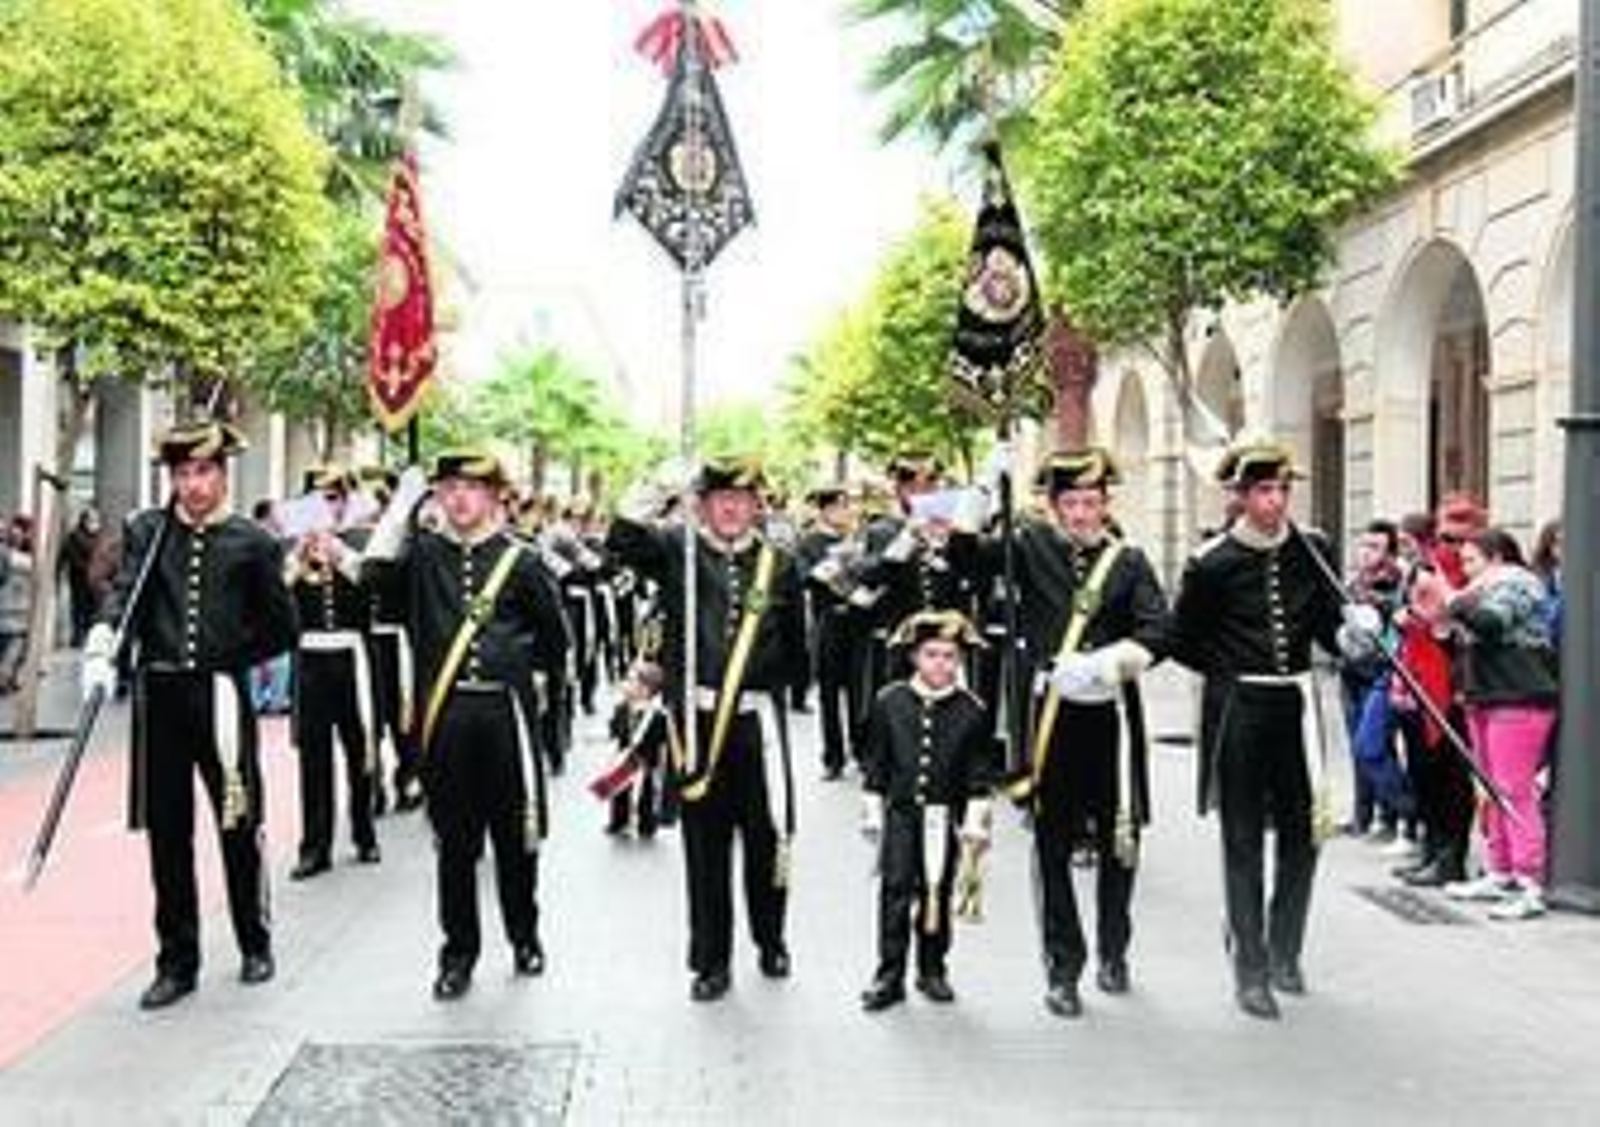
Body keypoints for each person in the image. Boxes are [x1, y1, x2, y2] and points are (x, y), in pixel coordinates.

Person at [81, 420, 298, 1009]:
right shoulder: (148, 531)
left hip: (220, 696)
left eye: (203, 472)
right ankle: (177, 961)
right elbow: (126, 592)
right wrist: (104, 640)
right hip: (161, 698)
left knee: (238, 822)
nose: (193, 485)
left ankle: (254, 941)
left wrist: (230, 657)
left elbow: (281, 628)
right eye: (182, 474)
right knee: (168, 833)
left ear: (222, 475)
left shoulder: (253, 542)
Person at [949, 447, 1169, 1017]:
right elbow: (962, 559)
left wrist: (1106, 663)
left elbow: (1159, 630)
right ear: (1053, 506)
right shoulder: (1028, 547)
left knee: (1120, 840)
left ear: (1105, 503)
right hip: (1050, 718)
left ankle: (1114, 951)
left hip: (1111, 715)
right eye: (1070, 503)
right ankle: (1062, 967)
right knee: (1052, 845)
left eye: (1091, 502)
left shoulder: (1128, 561)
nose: (1081, 514)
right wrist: (982, 489)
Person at [363, 451, 570, 1001]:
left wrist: (528, 681)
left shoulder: (522, 561)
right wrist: (402, 507)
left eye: (472, 488)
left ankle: (524, 935)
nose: (458, 498)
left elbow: (555, 640)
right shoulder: (424, 557)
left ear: (495, 495)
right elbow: (373, 576)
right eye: (448, 487)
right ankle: (458, 954)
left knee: (516, 838)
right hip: (446, 716)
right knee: (455, 844)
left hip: (505, 716)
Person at [605, 455, 808, 1002]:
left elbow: (797, 646)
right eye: (721, 499)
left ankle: (771, 938)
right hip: (697, 722)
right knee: (705, 846)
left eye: (742, 500)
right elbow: (622, 538)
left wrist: (779, 684)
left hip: (758, 723)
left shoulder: (780, 564)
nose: (732, 509)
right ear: (701, 505)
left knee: (768, 837)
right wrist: (657, 483)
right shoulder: (679, 551)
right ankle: (710, 960)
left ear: (757, 506)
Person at [1169, 437, 1350, 1020]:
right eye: (1265, 490)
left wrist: (1353, 634)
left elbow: (1327, 627)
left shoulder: (1313, 549)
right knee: (1243, 839)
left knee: (1305, 834)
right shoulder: (1211, 563)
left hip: (1297, 706)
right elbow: (1183, 640)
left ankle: (1284, 949)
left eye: (1283, 489)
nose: (1276, 501)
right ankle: (1250, 967)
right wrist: (1231, 671)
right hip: (1239, 709)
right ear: (1241, 496)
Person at [858, 609, 998, 1012]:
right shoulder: (889, 701)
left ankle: (932, 968)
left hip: (943, 817)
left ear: (960, 661)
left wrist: (975, 822)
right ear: (914, 657)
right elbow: (877, 762)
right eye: (931, 654)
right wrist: (872, 808)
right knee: (895, 891)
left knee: (936, 889)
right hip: (901, 814)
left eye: (949, 656)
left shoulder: (972, 710)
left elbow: (978, 774)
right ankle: (889, 975)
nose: (940, 664)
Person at [1428, 528, 1560, 919]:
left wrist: (1451, 599)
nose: (1466, 569)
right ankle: (1500, 871)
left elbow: (1491, 623)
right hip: (1485, 696)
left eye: (1472, 561)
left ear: (1498, 558)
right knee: (1491, 790)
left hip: (1519, 696)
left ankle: (1530, 882)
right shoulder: (1477, 591)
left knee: (1514, 791)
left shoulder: (1519, 583)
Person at [285, 466, 379, 880]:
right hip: (311, 661)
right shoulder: (293, 548)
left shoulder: (359, 542)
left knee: (361, 751)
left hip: (351, 657)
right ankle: (315, 847)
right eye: (317, 499)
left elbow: (372, 586)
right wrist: (299, 557)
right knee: (314, 757)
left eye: (333, 498)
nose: (326, 507)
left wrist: (338, 553)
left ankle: (364, 832)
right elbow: (275, 595)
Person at [793, 485, 863, 779]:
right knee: (829, 692)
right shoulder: (809, 542)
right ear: (824, 510)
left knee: (860, 689)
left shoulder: (857, 538)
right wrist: (833, 565)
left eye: (847, 506)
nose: (845, 512)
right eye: (838, 507)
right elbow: (803, 577)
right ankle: (833, 757)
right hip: (828, 620)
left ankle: (862, 750)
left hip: (858, 619)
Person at [592, 659, 670, 838]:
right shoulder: (622, 708)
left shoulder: (657, 714)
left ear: (645, 690)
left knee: (646, 793)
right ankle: (619, 821)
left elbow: (662, 740)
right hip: (625, 757)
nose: (626, 684)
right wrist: (599, 736)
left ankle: (647, 823)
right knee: (619, 791)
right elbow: (614, 729)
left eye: (631, 681)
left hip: (646, 761)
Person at [60, 507, 109, 647]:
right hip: (79, 580)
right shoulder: (74, 537)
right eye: (91, 520)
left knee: (93, 610)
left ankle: (89, 637)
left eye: (96, 520)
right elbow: (70, 557)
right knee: (79, 609)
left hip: (95, 581)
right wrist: (87, 567)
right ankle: (78, 637)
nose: (94, 524)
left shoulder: (100, 538)